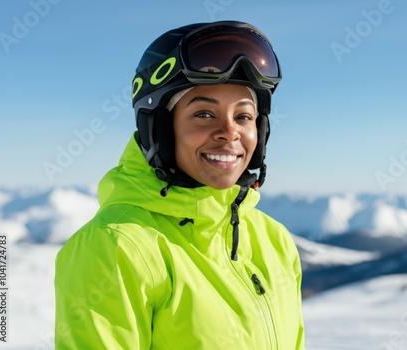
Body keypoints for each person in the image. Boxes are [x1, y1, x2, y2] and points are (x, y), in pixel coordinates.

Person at [55, 20, 305, 349]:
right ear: (160, 130)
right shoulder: (114, 247)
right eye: (203, 114)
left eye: (243, 116)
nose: (229, 133)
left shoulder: (274, 241)